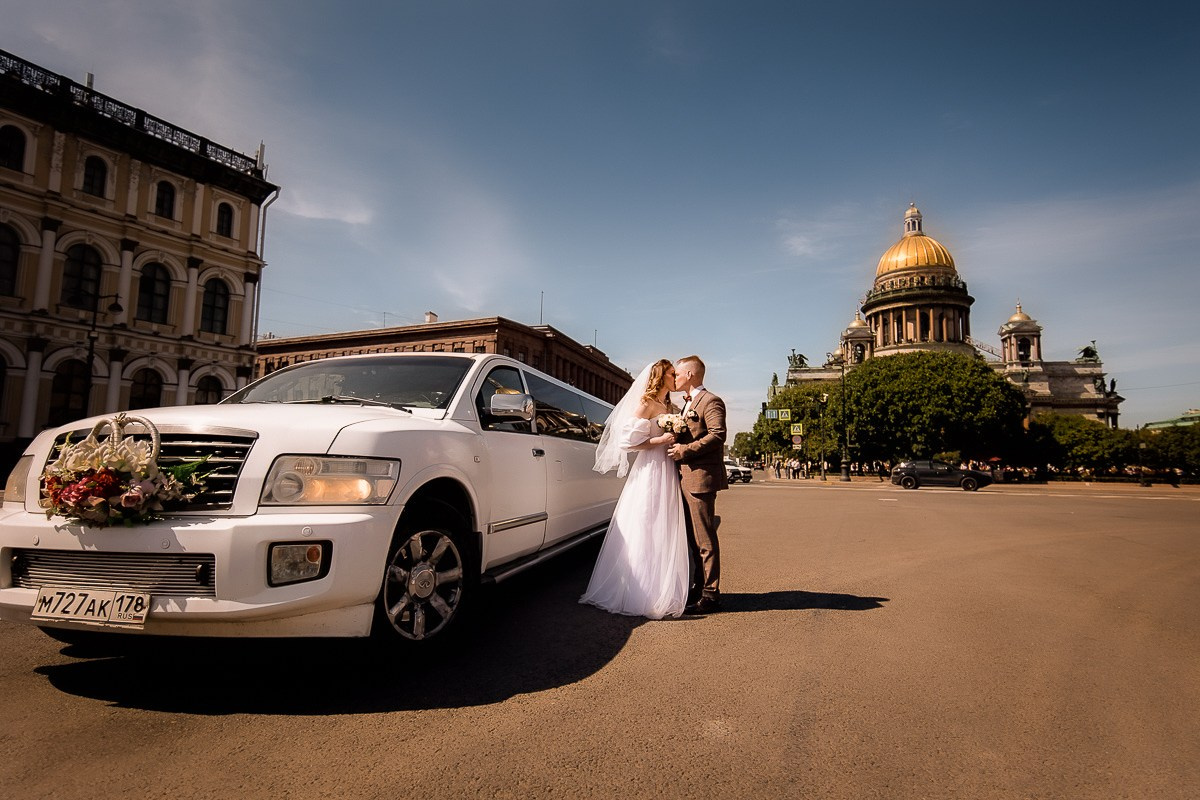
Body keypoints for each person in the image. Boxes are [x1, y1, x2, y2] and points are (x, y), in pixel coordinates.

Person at [581, 359, 690, 619]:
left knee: (664, 525)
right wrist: (660, 440)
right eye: (672, 373)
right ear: (661, 376)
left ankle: (660, 588)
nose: (676, 377)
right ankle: (639, 592)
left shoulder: (670, 406)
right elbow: (628, 442)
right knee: (646, 521)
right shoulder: (647, 402)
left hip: (667, 468)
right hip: (650, 468)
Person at [667, 355, 728, 614]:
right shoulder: (686, 404)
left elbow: (718, 435)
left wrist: (686, 450)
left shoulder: (710, 401)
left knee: (704, 538)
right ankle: (698, 585)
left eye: (678, 374)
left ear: (690, 375)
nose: (675, 378)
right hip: (684, 477)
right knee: (692, 538)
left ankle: (711, 594)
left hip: (700, 478)